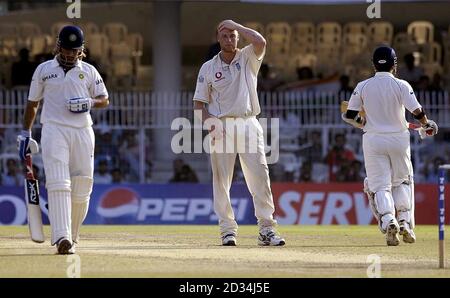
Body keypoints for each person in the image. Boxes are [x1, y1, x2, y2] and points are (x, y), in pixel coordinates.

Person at [17, 25, 109, 254]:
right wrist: (25, 133)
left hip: (82, 131)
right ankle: (62, 237)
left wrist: (90, 102)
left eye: (74, 51)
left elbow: (104, 99)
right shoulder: (43, 70)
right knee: (59, 183)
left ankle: (72, 235)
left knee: (82, 186)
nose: (69, 55)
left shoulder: (88, 71)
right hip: (54, 129)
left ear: (81, 50)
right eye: (66, 50)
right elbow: (33, 103)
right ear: (58, 46)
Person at [193, 20, 285, 246]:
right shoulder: (208, 67)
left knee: (260, 176)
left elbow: (260, 41)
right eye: (224, 36)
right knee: (222, 180)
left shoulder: (247, 57)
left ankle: (266, 229)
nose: (229, 39)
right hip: (221, 126)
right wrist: (210, 122)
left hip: (248, 122)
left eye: (233, 35)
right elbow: (198, 106)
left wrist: (234, 24)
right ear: (218, 39)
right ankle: (227, 230)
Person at [342, 46, 438, 246]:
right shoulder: (401, 85)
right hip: (399, 140)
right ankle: (404, 222)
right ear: (394, 64)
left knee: (379, 185)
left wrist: (363, 122)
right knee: (401, 182)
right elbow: (417, 111)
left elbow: (350, 116)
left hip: (373, 140)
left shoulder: (363, 85)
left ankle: (388, 219)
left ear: (373, 65)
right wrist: (425, 124)